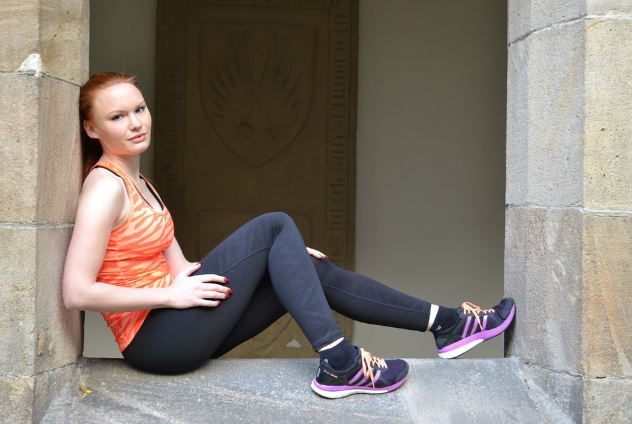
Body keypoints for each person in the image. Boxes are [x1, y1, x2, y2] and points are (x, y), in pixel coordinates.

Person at [62, 72, 516, 399]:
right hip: (155, 340)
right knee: (275, 223)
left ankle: (448, 324)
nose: (136, 122)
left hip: (176, 324)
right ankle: (340, 361)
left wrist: (284, 257)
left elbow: (183, 269)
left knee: (303, 268)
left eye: (139, 109)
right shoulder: (105, 187)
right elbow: (76, 291)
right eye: (118, 116)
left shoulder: (141, 182)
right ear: (92, 128)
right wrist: (169, 297)